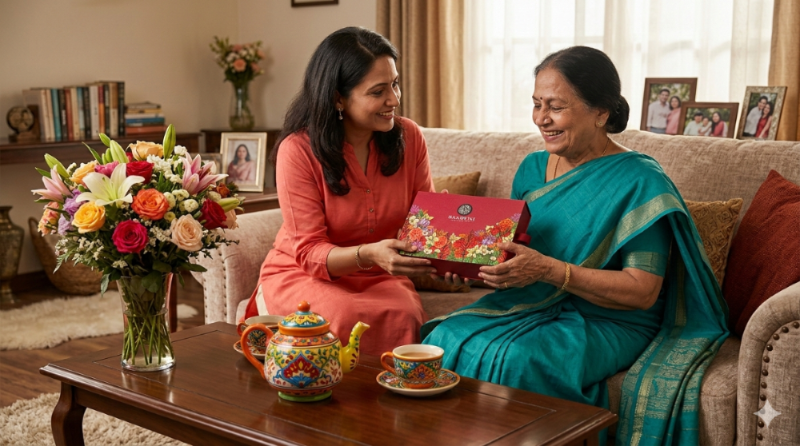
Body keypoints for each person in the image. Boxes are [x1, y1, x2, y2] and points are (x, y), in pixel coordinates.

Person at [422, 46, 728, 445]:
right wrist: (460, 252)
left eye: (556, 107)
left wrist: (549, 270)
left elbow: (642, 290)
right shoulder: (532, 168)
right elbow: (512, 261)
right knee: (442, 339)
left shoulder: (640, 182)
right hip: (530, 302)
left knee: (519, 360)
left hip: (610, 318)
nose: (542, 119)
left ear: (601, 112)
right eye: (536, 105)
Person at [242, 27, 436, 355]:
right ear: (338, 97)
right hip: (305, 273)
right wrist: (369, 253)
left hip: (378, 273)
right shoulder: (298, 150)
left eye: (395, 83)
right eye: (378, 91)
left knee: (405, 314)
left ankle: (394, 407)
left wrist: (456, 249)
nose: (394, 100)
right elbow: (309, 252)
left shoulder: (410, 137)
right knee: (342, 316)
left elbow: (423, 224)